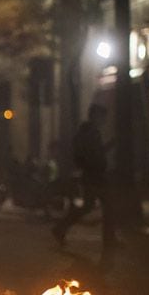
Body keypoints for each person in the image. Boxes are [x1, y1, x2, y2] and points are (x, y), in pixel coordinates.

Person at [51, 103, 117, 248]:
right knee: (108, 206)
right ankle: (110, 240)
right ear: (94, 116)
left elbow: (94, 153)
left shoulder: (90, 132)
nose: (103, 121)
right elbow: (91, 154)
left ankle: (60, 228)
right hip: (94, 175)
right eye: (101, 117)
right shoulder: (89, 133)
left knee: (91, 206)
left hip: (93, 174)